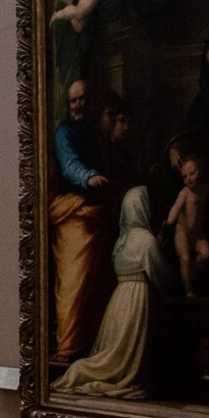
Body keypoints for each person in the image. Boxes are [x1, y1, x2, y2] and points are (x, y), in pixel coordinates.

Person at [61, 187, 176, 398]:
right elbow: (162, 276)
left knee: (116, 348)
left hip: (119, 300)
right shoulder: (145, 240)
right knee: (126, 355)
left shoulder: (120, 242)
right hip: (138, 299)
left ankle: (84, 370)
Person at [49, 78, 117, 362]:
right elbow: (68, 165)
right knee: (72, 283)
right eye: (73, 100)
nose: (77, 105)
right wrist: (87, 177)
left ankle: (86, 347)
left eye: (82, 99)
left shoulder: (94, 132)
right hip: (72, 212)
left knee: (93, 284)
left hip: (91, 211)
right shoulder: (65, 132)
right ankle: (67, 349)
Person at [167, 153, 209, 295]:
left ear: (200, 171)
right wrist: (170, 221)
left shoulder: (203, 189)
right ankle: (188, 291)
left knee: (206, 254)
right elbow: (176, 207)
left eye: (192, 173)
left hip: (196, 234)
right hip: (182, 233)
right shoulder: (184, 193)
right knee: (184, 258)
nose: (189, 179)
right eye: (185, 177)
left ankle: (190, 271)